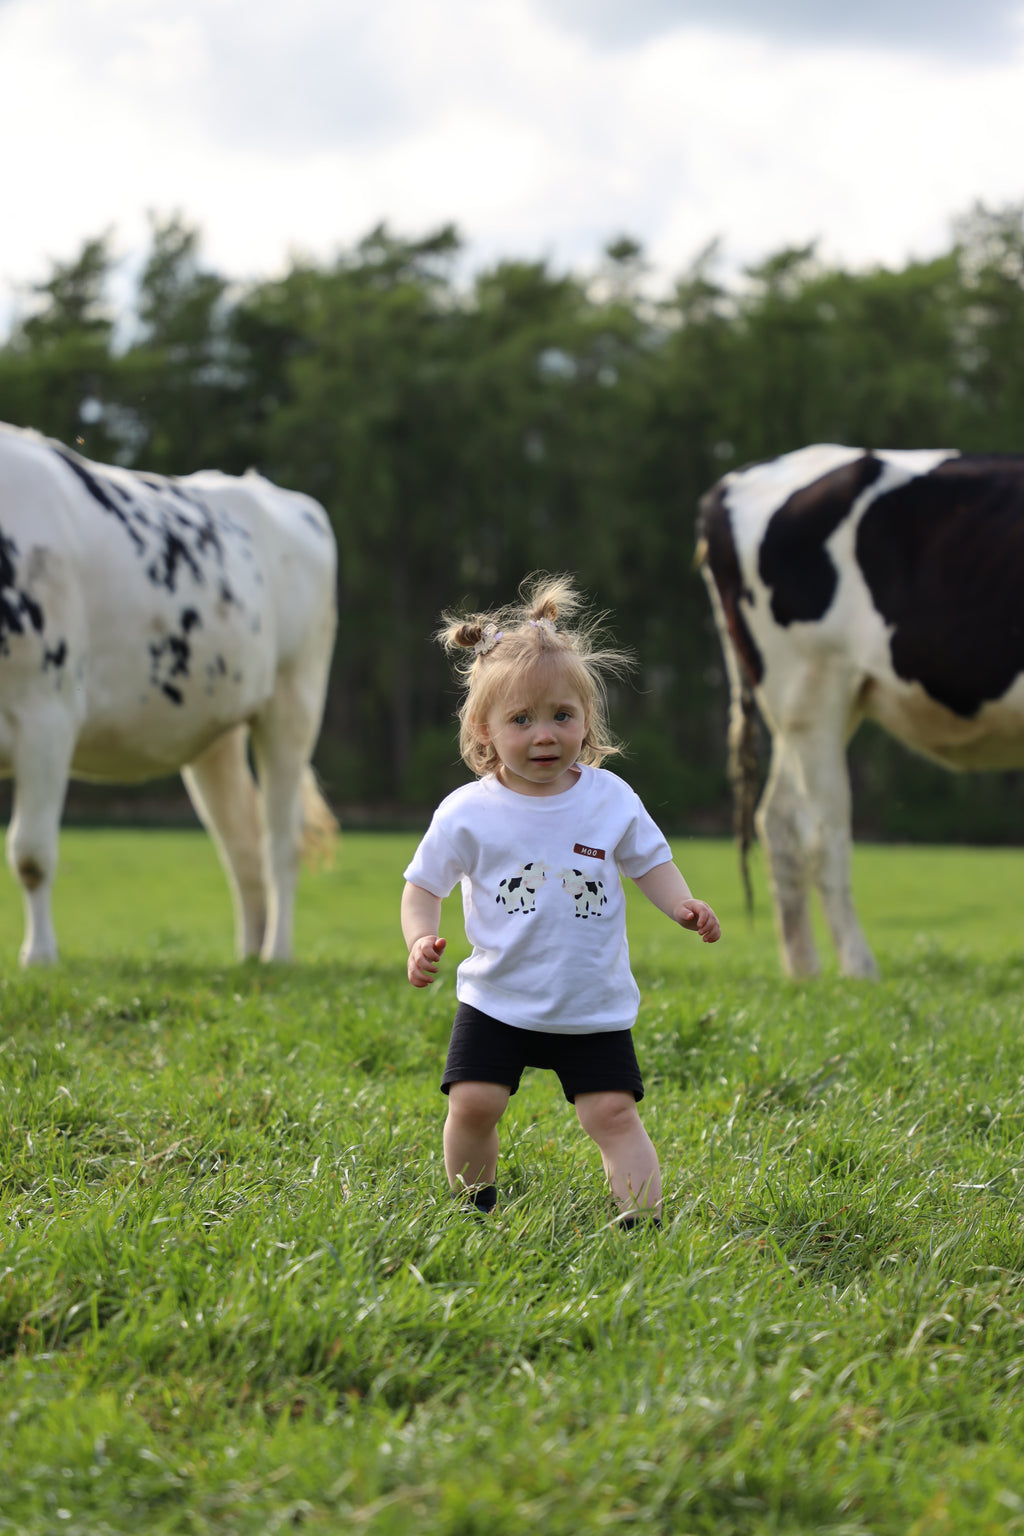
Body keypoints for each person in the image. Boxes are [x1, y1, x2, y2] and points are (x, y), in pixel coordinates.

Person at [401, 573, 721, 1226]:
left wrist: (683, 904)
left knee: (611, 1113)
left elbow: (651, 862)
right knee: (474, 1101)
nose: (544, 735)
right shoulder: (468, 812)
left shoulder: (609, 798)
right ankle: (473, 1208)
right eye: (521, 720)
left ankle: (644, 1225)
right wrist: (418, 938)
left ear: (586, 720)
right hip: (498, 997)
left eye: (561, 717)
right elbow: (423, 885)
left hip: (590, 1002)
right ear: (484, 729)